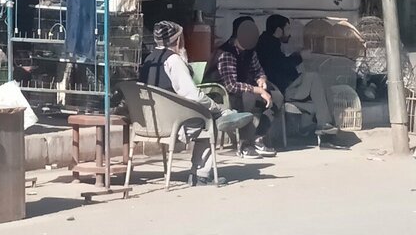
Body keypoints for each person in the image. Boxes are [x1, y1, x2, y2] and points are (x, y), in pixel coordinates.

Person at [138, 21, 253, 184]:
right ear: (178, 40)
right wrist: (215, 107)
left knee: (208, 114)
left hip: (150, 122)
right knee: (209, 121)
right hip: (174, 124)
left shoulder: (149, 60)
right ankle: (201, 175)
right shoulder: (174, 61)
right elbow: (193, 95)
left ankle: (226, 115)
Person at [204, 16, 276, 158]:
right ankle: (244, 143)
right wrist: (258, 90)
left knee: (276, 96)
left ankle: (258, 137)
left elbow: (258, 70)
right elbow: (231, 85)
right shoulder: (226, 53)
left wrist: (262, 79)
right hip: (223, 94)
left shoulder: (251, 51)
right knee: (249, 99)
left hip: (245, 88)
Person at [257, 14, 336, 138]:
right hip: (282, 88)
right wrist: (299, 57)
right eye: (287, 29)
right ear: (279, 30)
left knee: (323, 94)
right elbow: (279, 65)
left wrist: (296, 56)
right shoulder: (267, 44)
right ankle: (323, 124)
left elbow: (280, 62)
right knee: (313, 77)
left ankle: (319, 128)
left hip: (288, 86)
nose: (290, 34)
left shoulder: (270, 42)